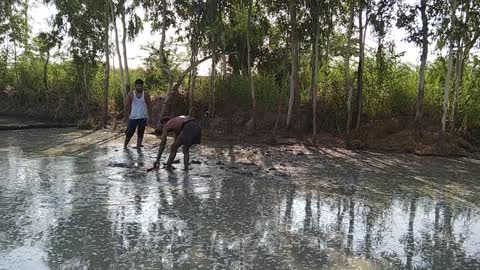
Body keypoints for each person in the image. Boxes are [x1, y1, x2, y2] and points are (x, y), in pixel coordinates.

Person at [124, 79, 152, 149]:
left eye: (140, 86)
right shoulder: (130, 94)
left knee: (141, 133)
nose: (139, 87)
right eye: (138, 86)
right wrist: (127, 118)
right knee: (130, 132)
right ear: (135, 86)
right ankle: (125, 146)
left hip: (143, 117)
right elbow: (127, 106)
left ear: (142, 86)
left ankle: (138, 146)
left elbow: (149, 105)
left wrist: (149, 116)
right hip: (133, 117)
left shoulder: (146, 94)